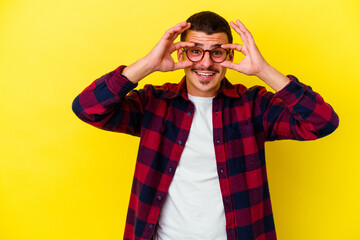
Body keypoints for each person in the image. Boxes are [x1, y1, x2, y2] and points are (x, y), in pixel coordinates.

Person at [72, 11, 338, 240]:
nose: (206, 63)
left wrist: (263, 70)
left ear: (228, 54)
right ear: (182, 52)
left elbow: (322, 122)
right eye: (195, 51)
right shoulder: (153, 103)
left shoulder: (253, 105)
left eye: (217, 53)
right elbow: (87, 108)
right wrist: (148, 64)